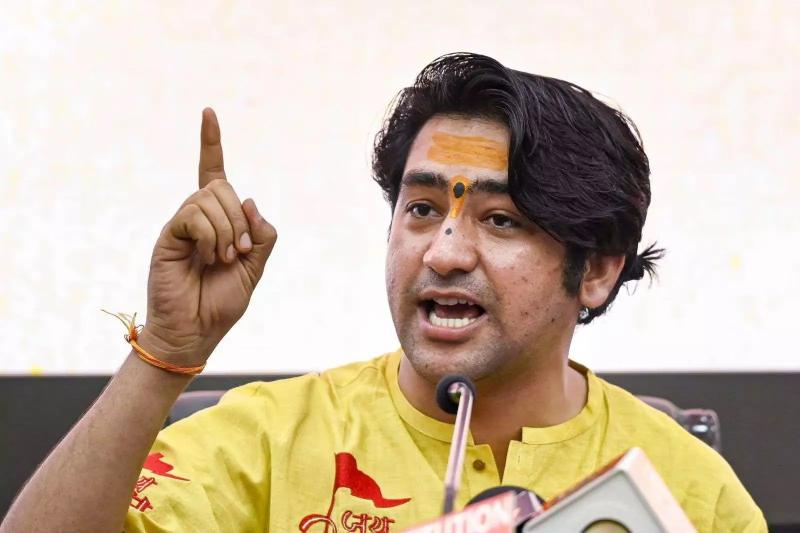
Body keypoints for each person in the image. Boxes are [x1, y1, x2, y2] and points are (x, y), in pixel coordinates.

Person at [2, 53, 765, 532]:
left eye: (500, 220)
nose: (443, 251)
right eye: (422, 208)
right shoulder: (264, 441)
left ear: (595, 268)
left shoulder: (689, 489)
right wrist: (166, 349)